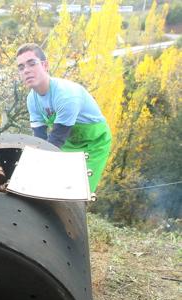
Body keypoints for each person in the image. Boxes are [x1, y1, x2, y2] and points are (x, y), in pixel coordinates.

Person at [16, 43, 112, 192]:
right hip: (68, 141)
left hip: (93, 143)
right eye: (21, 67)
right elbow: (40, 140)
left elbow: (54, 142)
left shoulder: (66, 95)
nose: (26, 70)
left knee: (78, 192)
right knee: (57, 187)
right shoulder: (32, 100)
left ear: (45, 65)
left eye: (32, 64)